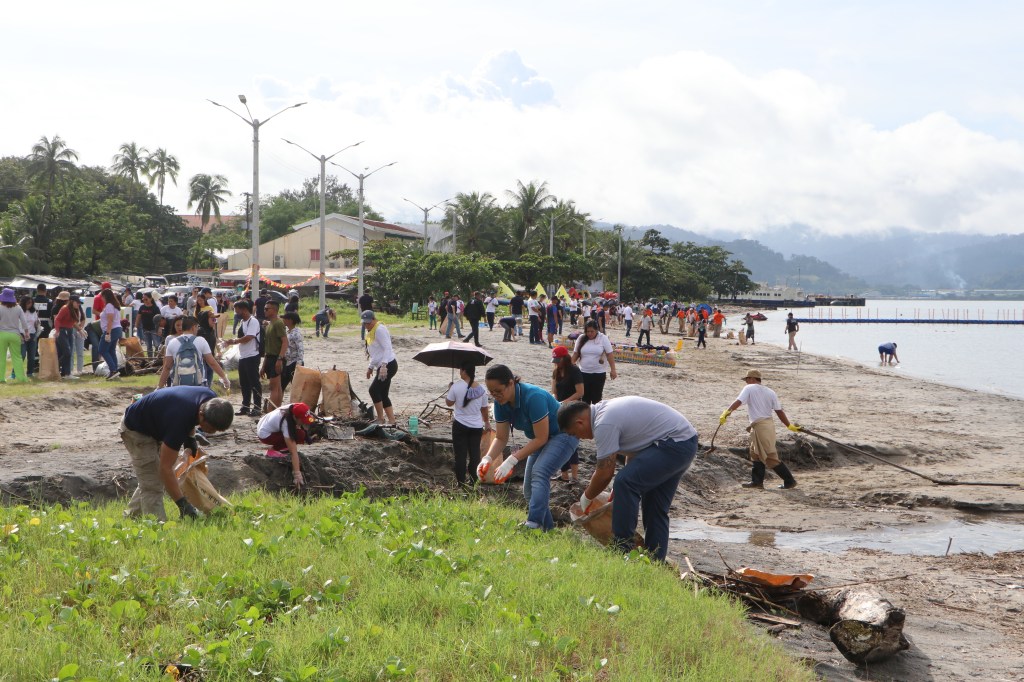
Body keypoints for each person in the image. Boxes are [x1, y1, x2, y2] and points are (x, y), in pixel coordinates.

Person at [558, 397, 698, 561]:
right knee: (654, 506)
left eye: (574, 434)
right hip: (684, 442)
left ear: (579, 422)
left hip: (673, 443)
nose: (578, 438)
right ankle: (654, 561)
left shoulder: (603, 423)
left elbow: (604, 472)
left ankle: (621, 548)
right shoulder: (604, 411)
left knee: (625, 482)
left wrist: (586, 498)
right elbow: (637, 446)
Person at [478, 364, 579, 531]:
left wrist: (511, 460)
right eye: (491, 392)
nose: (495, 396)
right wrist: (487, 458)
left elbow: (541, 438)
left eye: (498, 391)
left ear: (511, 383)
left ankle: (533, 524)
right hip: (540, 439)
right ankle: (547, 530)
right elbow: (501, 438)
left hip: (564, 435)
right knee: (528, 490)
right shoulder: (500, 404)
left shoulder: (533, 397)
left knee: (540, 472)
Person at [120, 386, 234, 520]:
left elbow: (189, 413)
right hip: (137, 431)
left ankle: (132, 517)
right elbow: (165, 469)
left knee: (151, 478)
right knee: (152, 484)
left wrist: (190, 437)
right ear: (201, 415)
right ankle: (157, 530)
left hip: (157, 423)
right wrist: (182, 503)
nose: (212, 432)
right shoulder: (178, 423)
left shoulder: (210, 399)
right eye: (211, 427)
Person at [720, 369, 800, 490]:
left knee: (770, 456)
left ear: (752, 379)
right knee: (755, 453)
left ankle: (789, 481)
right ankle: (757, 482)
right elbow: (779, 411)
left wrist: (727, 412)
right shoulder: (770, 391)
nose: (746, 382)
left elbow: (739, 401)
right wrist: (788, 425)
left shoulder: (749, 388)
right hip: (763, 425)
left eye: (747, 379)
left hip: (762, 426)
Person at [445, 363, 491, 485]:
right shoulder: (481, 389)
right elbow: (484, 408)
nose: (459, 371)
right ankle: (474, 481)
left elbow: (449, 403)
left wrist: (450, 389)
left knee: (460, 455)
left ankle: (461, 482)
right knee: (475, 454)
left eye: (460, 369)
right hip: (476, 426)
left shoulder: (456, 386)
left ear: (464, 371)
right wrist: (486, 422)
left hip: (460, 424)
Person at [157, 316, 231, 390]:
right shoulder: (201, 340)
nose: (197, 329)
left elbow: (167, 367)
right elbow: (212, 362)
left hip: (178, 386)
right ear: (193, 327)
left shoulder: (172, 342)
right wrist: (224, 378)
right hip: (198, 385)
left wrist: (159, 387)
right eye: (197, 327)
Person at [256, 402, 314, 489]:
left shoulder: (293, 407)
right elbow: (293, 452)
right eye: (302, 420)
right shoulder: (285, 423)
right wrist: (297, 474)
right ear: (295, 417)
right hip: (265, 435)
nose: (303, 423)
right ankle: (273, 450)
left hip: (264, 422)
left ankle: (280, 446)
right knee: (299, 435)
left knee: (300, 433)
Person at [551, 345, 583, 482]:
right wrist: (555, 400)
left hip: (574, 409)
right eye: (555, 361)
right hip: (560, 408)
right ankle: (564, 473)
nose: (556, 363)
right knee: (560, 439)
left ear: (565, 358)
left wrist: (565, 402)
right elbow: (554, 391)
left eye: (558, 360)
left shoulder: (574, 371)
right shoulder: (556, 372)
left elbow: (580, 392)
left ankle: (574, 476)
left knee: (572, 441)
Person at [224, 300, 262, 417]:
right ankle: (245, 406)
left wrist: (234, 341)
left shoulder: (253, 321)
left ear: (244, 309)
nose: (236, 313)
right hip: (243, 355)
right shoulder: (243, 322)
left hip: (252, 355)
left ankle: (257, 407)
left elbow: (249, 337)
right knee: (244, 383)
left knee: (254, 382)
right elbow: (242, 337)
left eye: (237, 310)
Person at [362, 310, 398, 426]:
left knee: (373, 390)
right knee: (383, 393)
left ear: (373, 319)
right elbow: (376, 352)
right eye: (365, 323)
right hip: (382, 364)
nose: (366, 325)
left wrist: (384, 365)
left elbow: (387, 348)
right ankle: (392, 421)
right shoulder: (371, 331)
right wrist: (370, 367)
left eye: (368, 322)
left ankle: (381, 419)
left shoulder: (379, 329)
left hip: (389, 365)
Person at [571, 320, 617, 404]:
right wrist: (570, 366)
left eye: (592, 331)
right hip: (583, 373)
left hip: (599, 373)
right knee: (585, 399)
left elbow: (609, 355)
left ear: (597, 330)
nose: (590, 334)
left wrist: (613, 369)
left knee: (596, 398)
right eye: (587, 331)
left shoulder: (603, 338)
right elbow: (575, 354)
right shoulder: (581, 338)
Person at [261, 300, 289, 413]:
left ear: (275, 310)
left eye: (267, 309)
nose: (265, 310)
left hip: (276, 358)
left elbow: (285, 342)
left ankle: (271, 412)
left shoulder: (278, 323)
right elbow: (268, 347)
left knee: (274, 387)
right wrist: (263, 365)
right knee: (277, 387)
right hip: (270, 357)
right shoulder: (269, 324)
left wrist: (280, 359)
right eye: (264, 308)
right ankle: (276, 411)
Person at [0, 288, 30, 383]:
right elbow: (24, 321)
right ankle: (21, 378)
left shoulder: (0, 307)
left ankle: (1, 378)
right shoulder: (18, 308)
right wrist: (26, 332)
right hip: (15, 334)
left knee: (1, 357)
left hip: (2, 334)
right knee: (17, 357)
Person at [53, 292, 81, 378]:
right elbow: (57, 320)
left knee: (69, 353)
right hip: (62, 331)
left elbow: (72, 323)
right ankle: (55, 366)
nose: (78, 304)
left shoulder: (75, 310)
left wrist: (80, 330)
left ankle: (66, 373)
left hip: (69, 331)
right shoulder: (65, 308)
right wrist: (57, 331)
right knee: (67, 353)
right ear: (72, 301)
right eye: (77, 302)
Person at [97, 288, 123, 377]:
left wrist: (108, 333)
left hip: (112, 330)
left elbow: (110, 320)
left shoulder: (109, 305)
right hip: (117, 329)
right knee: (111, 350)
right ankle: (115, 370)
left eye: (102, 297)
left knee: (102, 350)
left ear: (105, 296)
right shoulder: (115, 305)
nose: (101, 299)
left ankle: (113, 370)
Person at [281, 311, 303, 392]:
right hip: (287, 362)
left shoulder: (296, 333)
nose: (283, 320)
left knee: (296, 387)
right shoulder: (287, 331)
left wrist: (299, 363)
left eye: (285, 319)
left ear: (290, 320)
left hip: (294, 363)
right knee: (281, 385)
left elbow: (300, 348)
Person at [19, 296, 39, 377]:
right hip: (21, 334)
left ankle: (30, 372)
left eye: (31, 303)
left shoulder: (33, 312)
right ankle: (16, 371)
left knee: (32, 355)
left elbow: (35, 322)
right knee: (22, 354)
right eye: (28, 303)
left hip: (32, 334)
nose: (30, 305)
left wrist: (37, 323)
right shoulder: (19, 311)